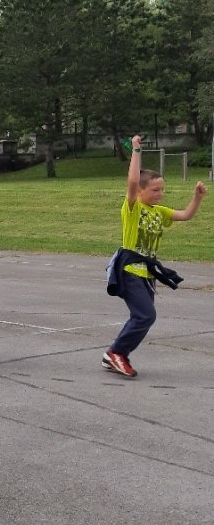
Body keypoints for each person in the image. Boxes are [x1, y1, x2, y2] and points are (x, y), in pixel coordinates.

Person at [102, 134, 206, 377]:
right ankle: (116, 353)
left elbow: (185, 215)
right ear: (140, 191)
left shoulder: (159, 211)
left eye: (162, 189)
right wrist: (136, 151)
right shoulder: (132, 208)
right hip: (129, 269)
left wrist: (197, 198)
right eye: (155, 189)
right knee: (145, 315)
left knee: (144, 317)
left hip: (147, 272)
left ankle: (116, 354)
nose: (160, 193)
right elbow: (131, 182)